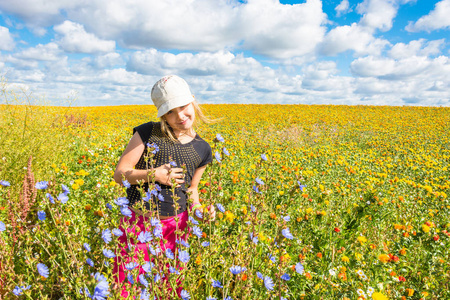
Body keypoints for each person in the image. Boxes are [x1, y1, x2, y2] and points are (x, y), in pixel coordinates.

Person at [113, 75, 215, 298]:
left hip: (176, 227)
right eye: (170, 111)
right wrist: (154, 175)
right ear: (161, 114)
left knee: (169, 286)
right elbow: (120, 174)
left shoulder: (203, 149)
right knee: (125, 284)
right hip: (139, 223)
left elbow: (193, 190)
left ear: (193, 101)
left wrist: (199, 209)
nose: (180, 115)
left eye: (183, 106)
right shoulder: (147, 133)